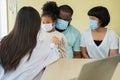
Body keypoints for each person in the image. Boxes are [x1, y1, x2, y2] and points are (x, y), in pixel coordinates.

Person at [0, 6, 59, 80]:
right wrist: (53, 44)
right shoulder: (41, 47)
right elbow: (53, 56)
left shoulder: (3, 41)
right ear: (37, 25)